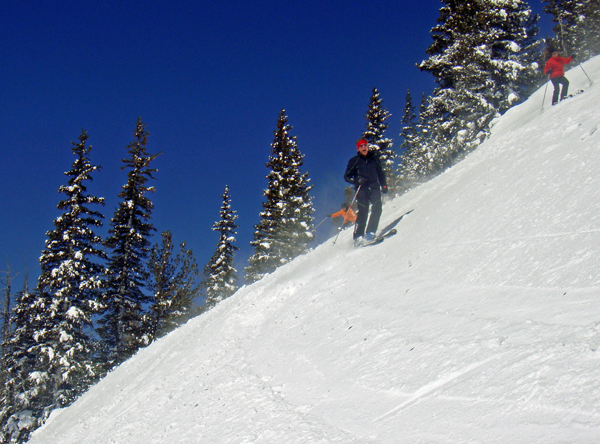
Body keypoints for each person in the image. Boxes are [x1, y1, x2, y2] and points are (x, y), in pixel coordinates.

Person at [344, 138, 388, 246]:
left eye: (365, 145)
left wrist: (384, 184)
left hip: (374, 187)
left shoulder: (374, 159)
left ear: (367, 146)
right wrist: (357, 180)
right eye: (361, 146)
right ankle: (358, 237)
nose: (364, 147)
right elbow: (347, 176)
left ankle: (370, 233)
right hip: (362, 189)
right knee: (363, 211)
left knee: (377, 206)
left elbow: (381, 173)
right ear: (358, 149)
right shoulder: (354, 161)